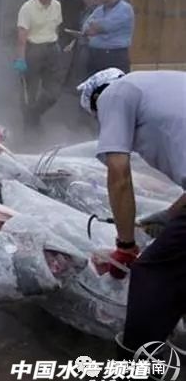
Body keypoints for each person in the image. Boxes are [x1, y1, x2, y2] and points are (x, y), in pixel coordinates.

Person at [77, 68, 186, 364]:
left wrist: (125, 245)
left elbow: (119, 174)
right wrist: (169, 215)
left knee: (153, 274)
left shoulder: (115, 93)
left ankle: (137, 370)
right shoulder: (163, 86)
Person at [13, 0, 63, 129]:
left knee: (53, 93)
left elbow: (56, 28)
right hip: (33, 50)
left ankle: (34, 115)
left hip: (52, 49)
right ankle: (29, 126)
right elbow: (22, 37)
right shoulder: (27, 8)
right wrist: (20, 59)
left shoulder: (57, 5)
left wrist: (56, 46)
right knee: (30, 92)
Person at [82, 0, 134, 75]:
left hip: (115, 56)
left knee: (113, 84)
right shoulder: (99, 10)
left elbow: (106, 26)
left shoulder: (125, 9)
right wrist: (95, 28)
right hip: (95, 56)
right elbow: (85, 27)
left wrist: (97, 28)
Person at [64, 0, 99, 86]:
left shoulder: (103, 12)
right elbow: (81, 30)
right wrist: (72, 43)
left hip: (96, 51)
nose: (85, 0)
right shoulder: (85, 12)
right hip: (82, 48)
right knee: (81, 77)